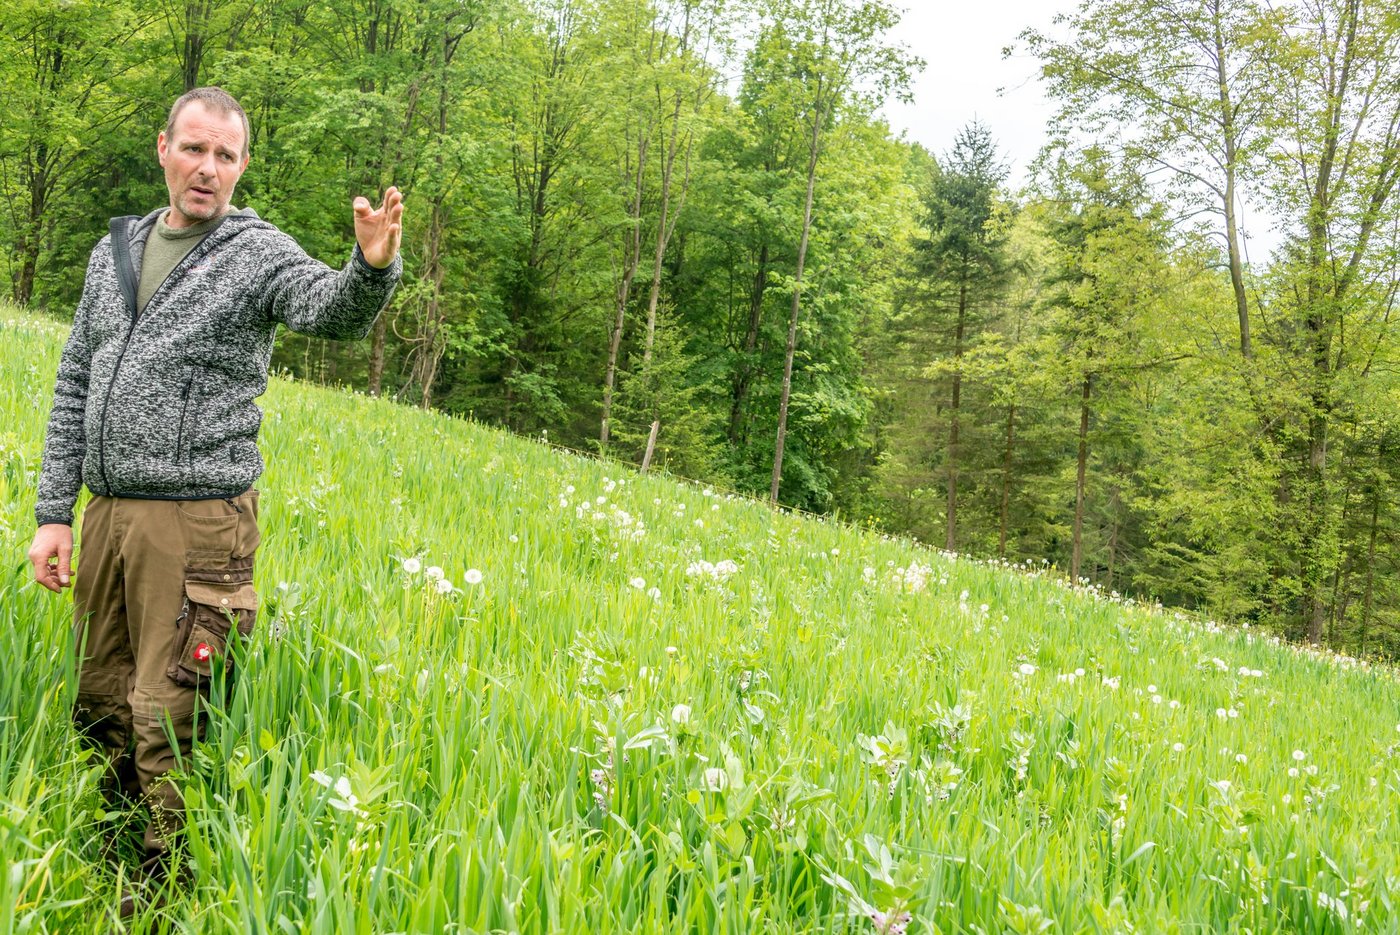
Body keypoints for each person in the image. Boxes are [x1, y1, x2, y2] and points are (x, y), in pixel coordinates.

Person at [25, 85, 403, 914]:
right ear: (164, 148)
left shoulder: (255, 251)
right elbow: (75, 379)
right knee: (101, 698)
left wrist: (370, 268)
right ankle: (109, 866)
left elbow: (327, 308)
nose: (208, 169)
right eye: (194, 149)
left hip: (199, 523)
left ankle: (167, 899)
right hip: (108, 515)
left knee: (171, 716)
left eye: (225, 155)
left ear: (242, 166)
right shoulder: (115, 248)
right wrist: (56, 511)